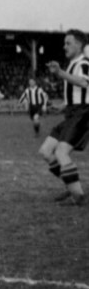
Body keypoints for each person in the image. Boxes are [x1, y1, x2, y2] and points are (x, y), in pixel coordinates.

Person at [38, 29, 89, 206]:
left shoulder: (83, 63)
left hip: (82, 114)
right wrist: (60, 107)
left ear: (80, 45)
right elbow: (77, 93)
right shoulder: (72, 64)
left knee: (61, 152)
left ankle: (78, 195)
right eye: (64, 43)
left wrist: (60, 73)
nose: (64, 46)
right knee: (46, 151)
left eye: (68, 43)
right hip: (72, 113)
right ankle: (71, 185)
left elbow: (84, 83)